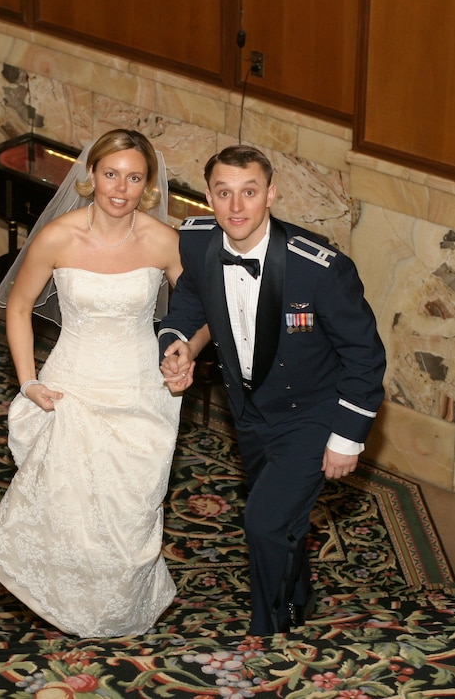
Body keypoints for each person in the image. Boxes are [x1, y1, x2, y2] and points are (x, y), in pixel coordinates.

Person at [158, 144, 386, 636]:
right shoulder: (195, 244)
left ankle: (270, 633)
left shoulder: (319, 268)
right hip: (248, 411)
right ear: (210, 200)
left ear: (270, 195)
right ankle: (298, 599)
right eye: (224, 193)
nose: (236, 206)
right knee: (284, 523)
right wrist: (177, 342)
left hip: (313, 414)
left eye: (249, 192)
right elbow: (191, 301)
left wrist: (347, 437)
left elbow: (365, 355)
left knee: (263, 522)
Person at [0, 129, 195, 638]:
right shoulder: (58, 236)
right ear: (91, 175)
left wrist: (186, 347)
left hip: (142, 393)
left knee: (129, 513)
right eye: (110, 174)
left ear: (147, 186)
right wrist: (28, 381)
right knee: (70, 510)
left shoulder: (165, 241)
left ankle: (117, 612)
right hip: (71, 388)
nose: (120, 188)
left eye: (134, 177)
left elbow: (195, 311)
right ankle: (72, 607)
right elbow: (17, 306)